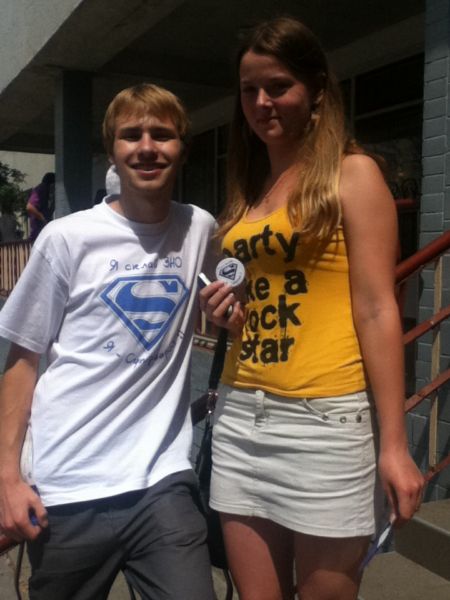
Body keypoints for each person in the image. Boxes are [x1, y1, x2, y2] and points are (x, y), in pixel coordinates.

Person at [199, 17, 424, 600]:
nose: (261, 102)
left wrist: (394, 444)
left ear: (317, 89)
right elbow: (262, 296)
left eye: (278, 86)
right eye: (249, 90)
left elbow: (377, 309)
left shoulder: (354, 174)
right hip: (240, 416)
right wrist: (226, 314)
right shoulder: (250, 189)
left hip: (324, 424)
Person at [0, 83, 216, 600]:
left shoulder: (199, 227)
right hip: (68, 486)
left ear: (183, 148)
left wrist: (230, 309)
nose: (147, 147)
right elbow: (23, 360)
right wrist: (7, 478)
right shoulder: (66, 238)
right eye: (131, 135)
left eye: (162, 134)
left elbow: (227, 292)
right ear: (113, 151)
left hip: (162, 481)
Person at [26, 172, 55, 242]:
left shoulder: (47, 192)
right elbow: (29, 207)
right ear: (51, 184)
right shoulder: (41, 189)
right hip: (38, 233)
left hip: (43, 231)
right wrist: (42, 217)